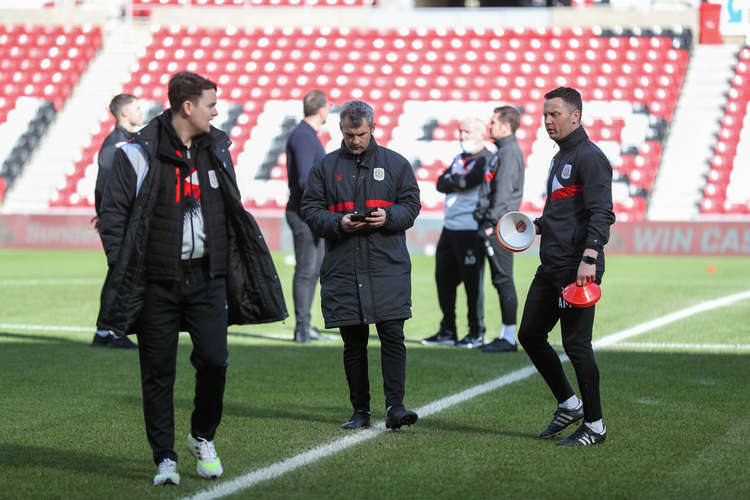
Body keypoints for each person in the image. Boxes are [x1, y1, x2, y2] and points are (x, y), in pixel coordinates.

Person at [96, 71, 287, 484]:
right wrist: (125, 263)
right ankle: (164, 456)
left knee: (215, 361)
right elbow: (112, 217)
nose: (217, 112)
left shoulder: (218, 149)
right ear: (188, 107)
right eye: (211, 104)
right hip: (155, 281)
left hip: (207, 277)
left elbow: (231, 210)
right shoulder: (136, 153)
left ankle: (202, 435)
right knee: (158, 371)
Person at [301, 100, 421, 431]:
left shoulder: (396, 164)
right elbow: (310, 210)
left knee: (392, 336)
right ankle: (361, 410)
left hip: (387, 265)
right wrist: (338, 223)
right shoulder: (325, 168)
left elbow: (411, 205)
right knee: (353, 342)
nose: (355, 140)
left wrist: (389, 216)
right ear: (341, 130)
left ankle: (395, 407)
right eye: (349, 134)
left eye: (361, 134)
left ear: (373, 127)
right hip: (343, 267)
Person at [516, 87, 615, 446]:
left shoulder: (590, 157)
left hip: (577, 267)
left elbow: (601, 212)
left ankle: (595, 426)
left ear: (576, 116)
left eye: (554, 114)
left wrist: (589, 256)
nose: (547, 121)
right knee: (529, 334)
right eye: (545, 115)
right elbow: (564, 212)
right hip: (552, 263)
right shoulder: (561, 158)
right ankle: (569, 404)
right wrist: (535, 226)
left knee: (577, 346)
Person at [421, 117, 491, 347]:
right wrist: (455, 180)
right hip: (449, 229)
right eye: (461, 131)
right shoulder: (460, 158)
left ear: (482, 134)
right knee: (443, 279)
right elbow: (441, 183)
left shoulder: (487, 159)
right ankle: (448, 329)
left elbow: (468, 182)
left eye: (467, 131)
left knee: (472, 284)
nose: (462, 136)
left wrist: (455, 180)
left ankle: (475, 331)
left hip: (470, 230)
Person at [90, 93, 144, 349]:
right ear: (124, 113)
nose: (141, 111)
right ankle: (116, 332)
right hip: (118, 221)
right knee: (123, 274)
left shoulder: (126, 142)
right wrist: (104, 213)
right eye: (136, 107)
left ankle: (103, 333)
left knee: (117, 275)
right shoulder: (117, 145)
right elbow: (105, 184)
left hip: (118, 218)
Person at [473, 105, 526, 353]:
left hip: (499, 228)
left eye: (493, 122)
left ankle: (508, 337)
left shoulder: (509, 153)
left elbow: (503, 195)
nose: (489, 126)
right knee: (497, 279)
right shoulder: (502, 152)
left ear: (505, 126)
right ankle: (502, 334)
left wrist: (489, 223)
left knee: (503, 279)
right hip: (494, 225)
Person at [285, 90, 331, 343]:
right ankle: (302, 328)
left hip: (310, 214)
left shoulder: (307, 135)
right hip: (303, 214)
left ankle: (306, 325)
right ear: (321, 109)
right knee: (306, 270)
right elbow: (304, 179)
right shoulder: (303, 136)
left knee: (313, 270)